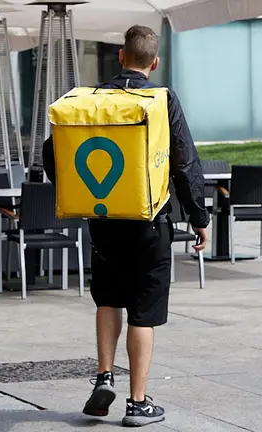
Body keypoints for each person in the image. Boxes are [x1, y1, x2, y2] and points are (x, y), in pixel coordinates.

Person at [42, 25, 210, 427]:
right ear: (154, 63)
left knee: (108, 299)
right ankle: (137, 403)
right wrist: (199, 218)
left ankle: (103, 377)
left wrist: (77, 190)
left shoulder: (91, 100)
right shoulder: (160, 99)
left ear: (119, 56)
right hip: (149, 223)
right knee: (144, 312)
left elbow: (54, 154)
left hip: (103, 221)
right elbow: (185, 163)